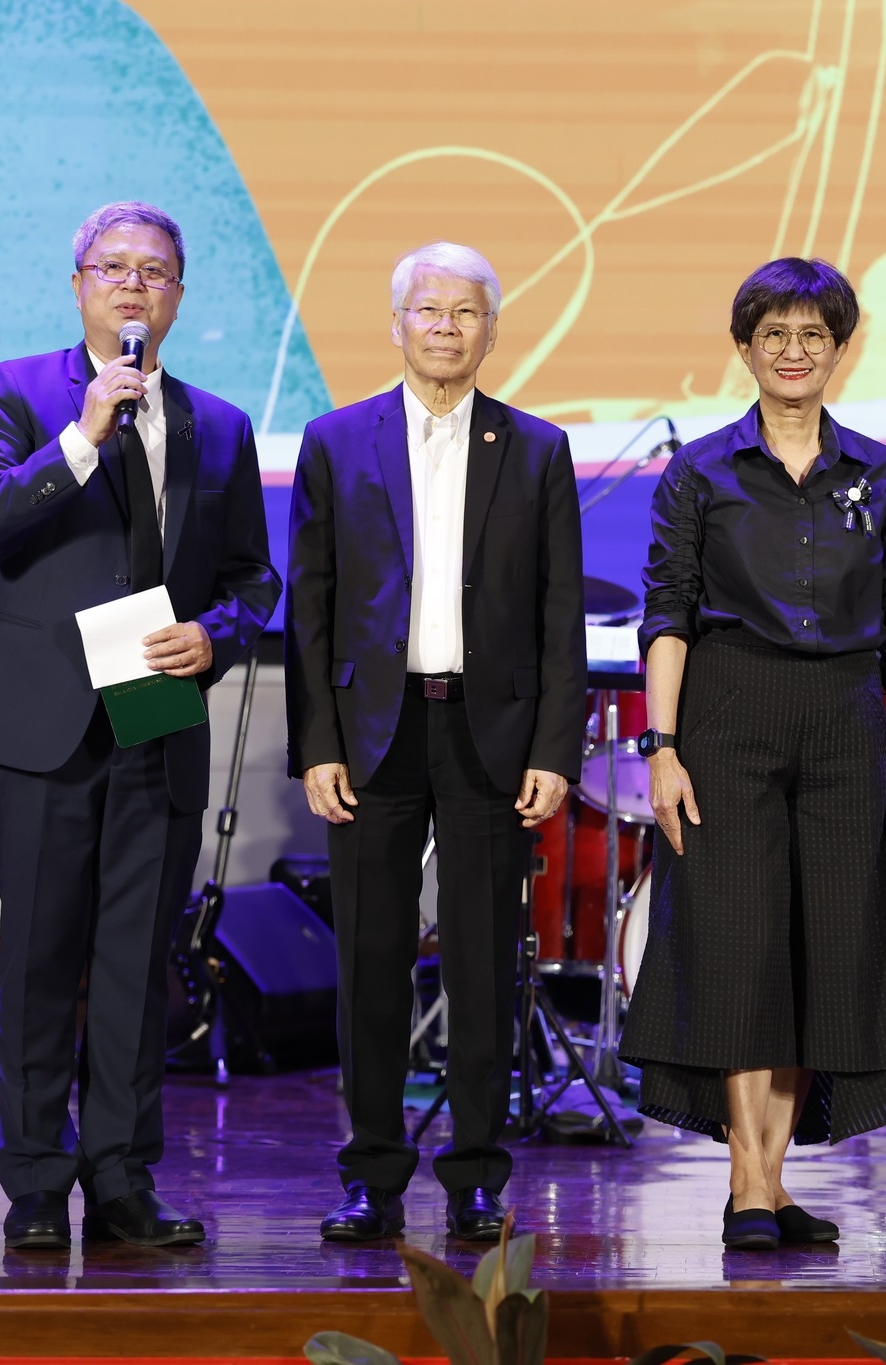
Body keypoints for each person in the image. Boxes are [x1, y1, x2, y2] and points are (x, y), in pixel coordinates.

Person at [0, 202, 281, 1250]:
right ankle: (36, 1184)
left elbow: (253, 577)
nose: (134, 284)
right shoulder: (17, 391)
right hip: (41, 716)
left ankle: (124, 1178)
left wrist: (215, 635)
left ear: (178, 295)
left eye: (155, 271)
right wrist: (82, 439)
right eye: (114, 267)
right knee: (39, 958)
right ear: (79, 283)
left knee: (137, 964)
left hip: (155, 709)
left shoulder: (219, 424)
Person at [621, 257, 886, 1251]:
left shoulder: (878, 474)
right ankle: (747, 1182)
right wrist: (662, 746)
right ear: (745, 348)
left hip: (846, 722)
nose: (793, 352)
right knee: (739, 948)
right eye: (774, 335)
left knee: (821, 949)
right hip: (728, 716)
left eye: (813, 336)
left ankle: (774, 1178)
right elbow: (667, 614)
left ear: (839, 350)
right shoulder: (700, 472)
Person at [284, 242, 585, 1243]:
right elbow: (310, 606)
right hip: (372, 729)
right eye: (428, 309)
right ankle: (371, 1174)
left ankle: (476, 1177)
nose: (445, 327)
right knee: (370, 960)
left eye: (465, 312)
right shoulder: (335, 441)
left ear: (491, 331)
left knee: (482, 966)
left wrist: (554, 748)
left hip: (490, 732)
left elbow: (558, 614)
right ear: (396, 324)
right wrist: (316, 742)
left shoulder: (536, 448)